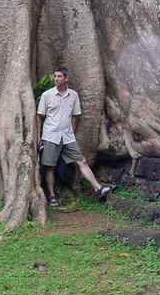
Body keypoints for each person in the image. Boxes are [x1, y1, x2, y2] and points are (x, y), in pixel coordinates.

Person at [36, 67, 113, 206]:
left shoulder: (73, 95)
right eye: (55, 76)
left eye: (59, 76)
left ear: (66, 78)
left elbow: (76, 116)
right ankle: (52, 196)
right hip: (50, 136)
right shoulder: (47, 95)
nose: (56, 79)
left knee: (81, 161)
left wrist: (72, 131)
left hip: (67, 137)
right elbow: (40, 116)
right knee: (50, 167)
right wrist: (39, 136)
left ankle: (98, 188)